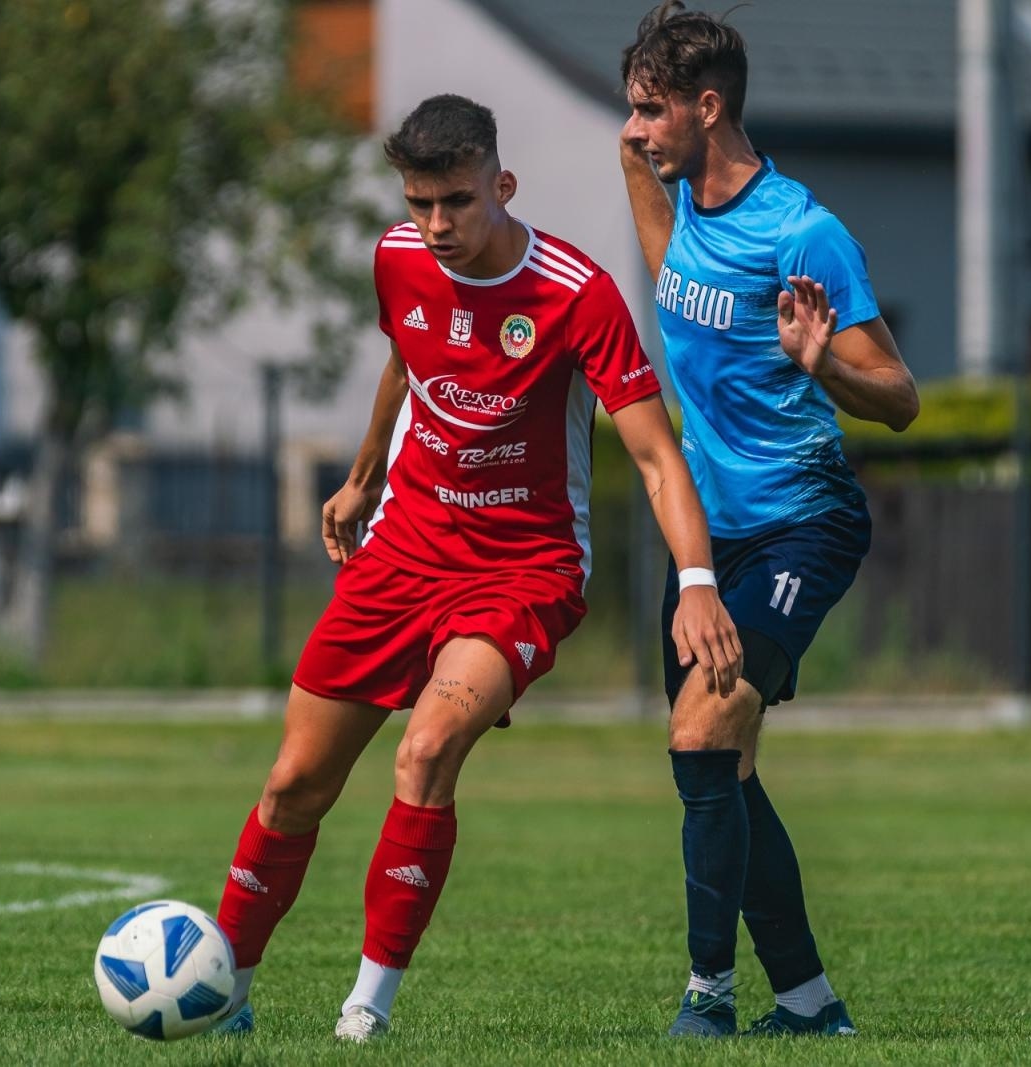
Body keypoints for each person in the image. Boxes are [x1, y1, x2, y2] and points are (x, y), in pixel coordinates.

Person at [209, 92, 742, 1045]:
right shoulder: (399, 259)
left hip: (523, 571)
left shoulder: (575, 293)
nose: (436, 225)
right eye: (419, 202)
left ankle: (363, 1015)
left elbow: (658, 456)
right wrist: (363, 475)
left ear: (502, 183)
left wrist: (696, 581)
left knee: (426, 750)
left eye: (456, 200)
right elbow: (405, 360)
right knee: (293, 784)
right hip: (402, 550)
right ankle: (221, 992)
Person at [618, 1, 921, 1039]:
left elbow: (900, 396)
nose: (638, 129)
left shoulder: (802, 229)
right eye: (631, 112)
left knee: (703, 732)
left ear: (709, 108)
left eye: (652, 111)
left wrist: (820, 359)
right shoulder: (679, 207)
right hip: (708, 537)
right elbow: (665, 269)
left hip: (803, 523)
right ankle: (809, 1003)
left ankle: (708, 995)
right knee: (719, 767)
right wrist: (632, 156)